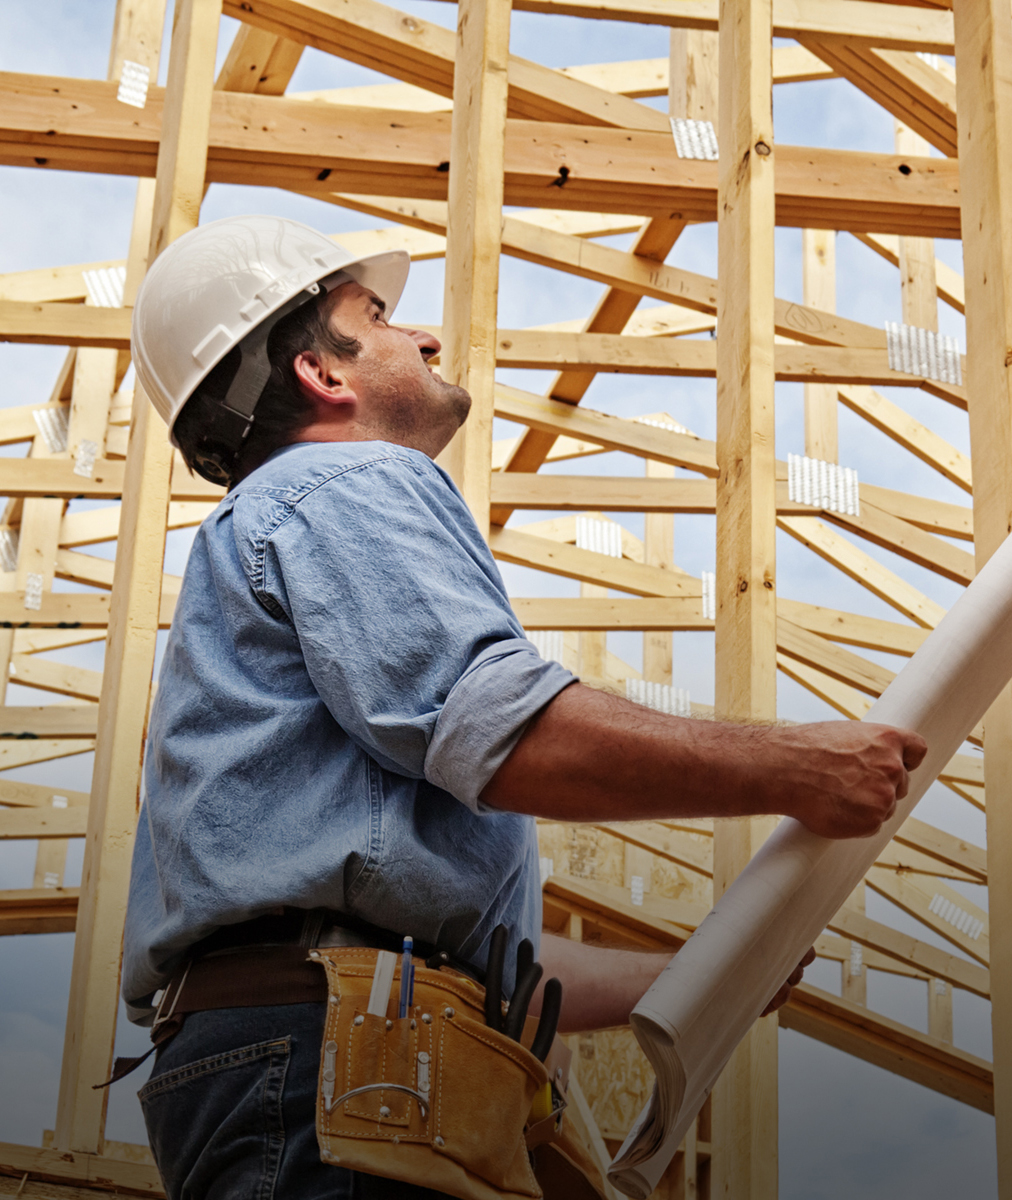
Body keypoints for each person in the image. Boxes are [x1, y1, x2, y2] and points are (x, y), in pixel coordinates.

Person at [118, 215, 928, 1198]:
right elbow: (502, 731)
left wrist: (704, 974)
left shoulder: (275, 536)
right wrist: (799, 768)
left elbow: (481, 970)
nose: (421, 336)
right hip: (338, 1062)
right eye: (375, 317)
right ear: (324, 378)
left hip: (336, 1048)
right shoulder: (346, 480)